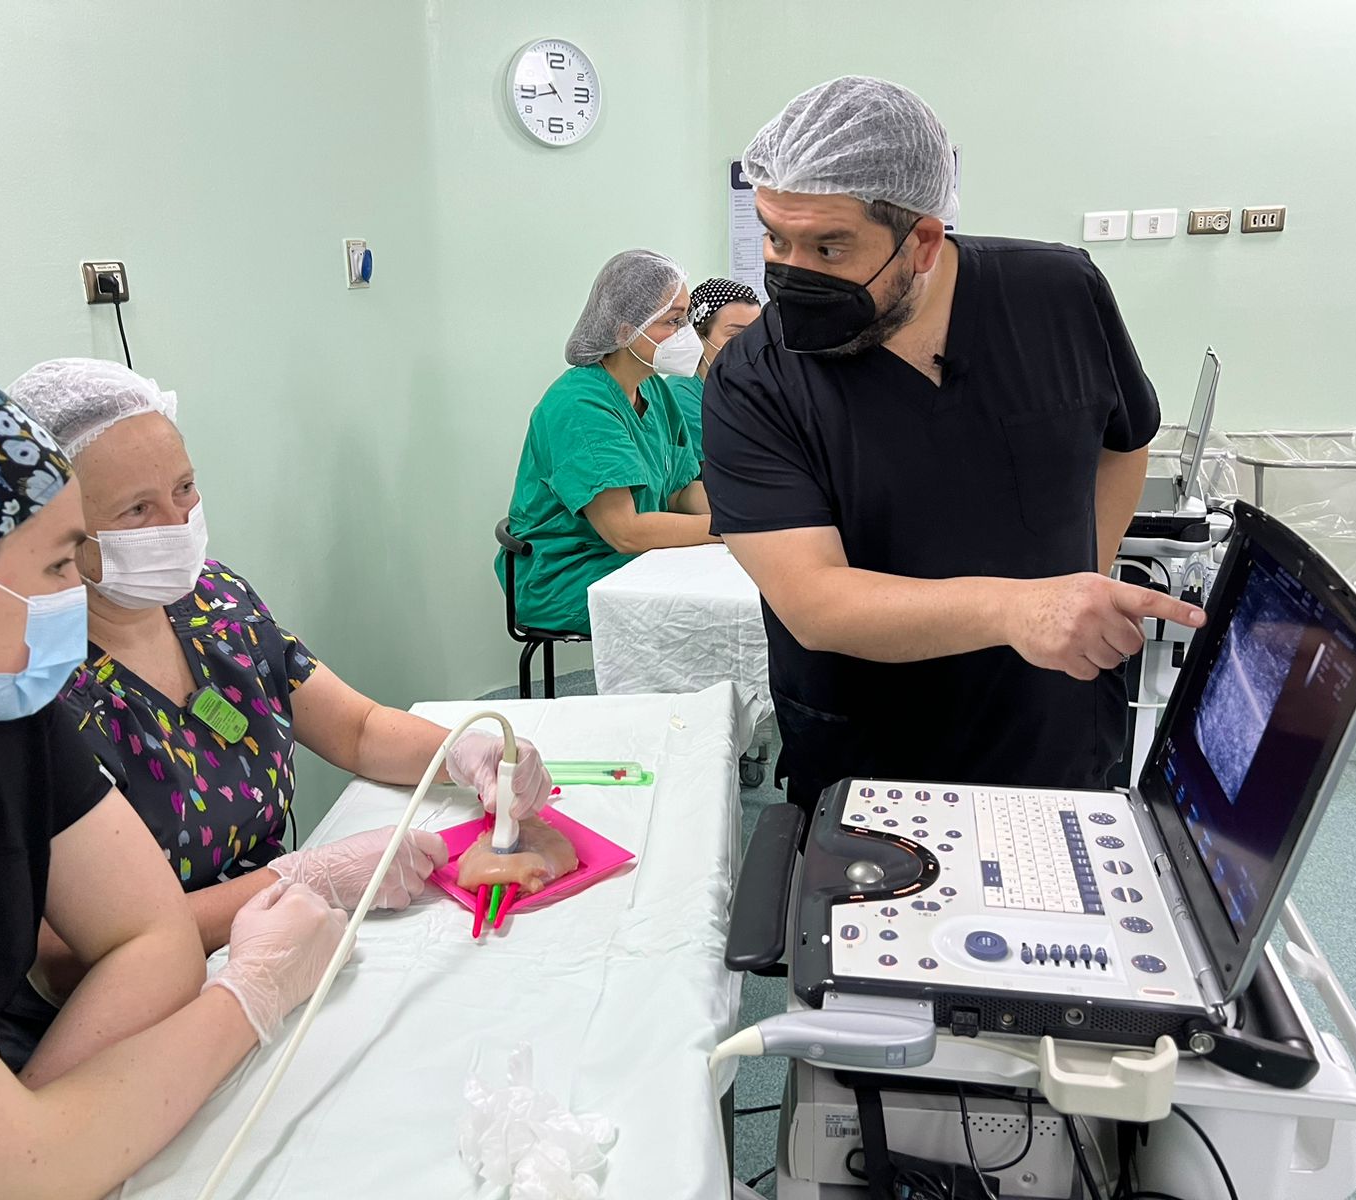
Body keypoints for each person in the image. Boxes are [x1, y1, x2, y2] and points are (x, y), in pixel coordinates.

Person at [0, 349, 348, 1200]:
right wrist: (251, 997)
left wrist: (36, 1127)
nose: (74, 597)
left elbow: (152, 937)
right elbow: (9, 1169)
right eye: (53, 569)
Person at [0, 358, 553, 1056]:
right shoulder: (38, 687)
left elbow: (355, 728)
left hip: (283, 945)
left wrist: (462, 753)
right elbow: (67, 958)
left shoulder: (214, 601)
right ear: (54, 531)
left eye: (186, 489)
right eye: (137, 511)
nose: (177, 524)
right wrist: (307, 876)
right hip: (129, 1028)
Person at [703, 78, 1206, 816]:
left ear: (924, 242)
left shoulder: (1058, 295)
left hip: (1054, 735)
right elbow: (815, 600)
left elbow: (1124, 441)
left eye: (829, 246)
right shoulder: (757, 378)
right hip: (871, 764)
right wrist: (1017, 611)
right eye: (776, 237)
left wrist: (1078, 579)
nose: (792, 271)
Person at [497, 249, 716, 635]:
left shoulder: (653, 390)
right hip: (567, 574)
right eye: (673, 321)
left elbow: (681, 491)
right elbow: (625, 531)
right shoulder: (580, 406)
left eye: (687, 319)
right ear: (623, 331)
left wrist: (749, 516)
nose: (687, 334)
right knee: (706, 609)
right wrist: (727, 529)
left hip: (625, 557)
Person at [664, 277, 763, 458]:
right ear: (698, 336)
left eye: (756, 335)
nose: (749, 346)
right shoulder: (681, 395)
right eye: (735, 336)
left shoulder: (753, 389)